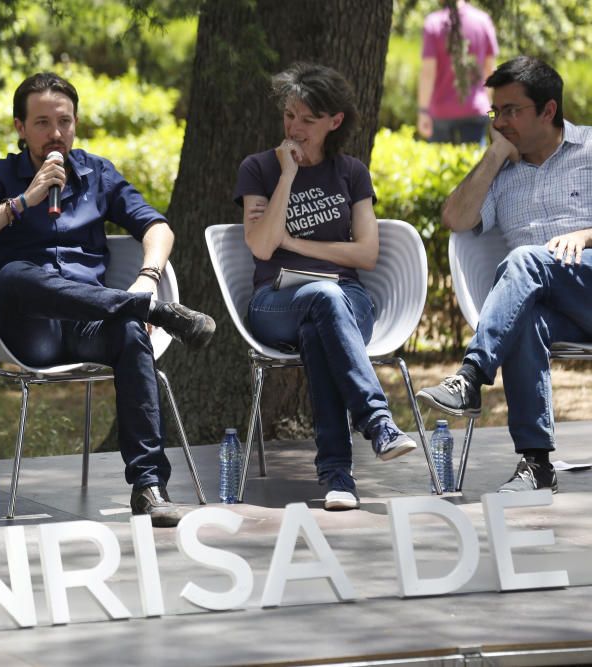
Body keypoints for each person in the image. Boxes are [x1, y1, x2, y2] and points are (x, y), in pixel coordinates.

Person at [0, 72, 215, 527]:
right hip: (30, 330)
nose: (55, 134)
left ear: (75, 123)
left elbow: (157, 227)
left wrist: (148, 278)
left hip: (90, 321)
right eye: (42, 123)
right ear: (20, 127)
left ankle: (149, 488)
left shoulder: (97, 173)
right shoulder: (0, 176)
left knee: (130, 332)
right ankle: (150, 313)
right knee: (13, 274)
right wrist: (22, 201)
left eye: (64, 122)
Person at [233, 63, 418, 512]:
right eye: (289, 116)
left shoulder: (350, 172)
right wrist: (288, 179)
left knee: (324, 321)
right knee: (323, 299)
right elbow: (260, 247)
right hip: (276, 300)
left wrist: (294, 242)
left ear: (334, 122)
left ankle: (338, 478)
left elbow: (367, 254)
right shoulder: (259, 169)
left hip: (346, 300)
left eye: (307, 120)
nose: (294, 129)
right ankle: (377, 423)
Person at [417, 56, 592, 493]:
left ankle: (471, 377)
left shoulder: (590, 147)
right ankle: (536, 465)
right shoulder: (501, 172)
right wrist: (495, 153)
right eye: (496, 112)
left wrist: (586, 235)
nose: (502, 120)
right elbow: (454, 219)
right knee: (523, 320)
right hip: (550, 302)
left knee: (524, 260)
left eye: (512, 110)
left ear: (548, 110)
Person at [417, 0, 498, 145]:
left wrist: (423, 111)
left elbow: (428, 73)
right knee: (475, 165)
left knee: (439, 166)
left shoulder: (434, 23)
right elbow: (490, 72)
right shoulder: (483, 21)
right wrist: (490, 107)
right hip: (476, 109)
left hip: (441, 112)